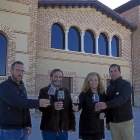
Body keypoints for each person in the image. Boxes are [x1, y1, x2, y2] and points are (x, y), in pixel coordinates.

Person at [0, 61, 50, 140]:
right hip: (9, 131)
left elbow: (25, 107)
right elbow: (16, 102)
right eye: (17, 70)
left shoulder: (21, 86)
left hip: (23, 130)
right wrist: (38, 102)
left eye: (22, 71)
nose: (20, 73)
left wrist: (28, 124)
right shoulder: (4, 86)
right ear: (11, 71)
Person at [95, 64, 135, 140]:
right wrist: (108, 121)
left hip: (125, 122)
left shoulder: (126, 85)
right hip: (113, 124)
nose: (113, 73)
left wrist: (106, 104)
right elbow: (108, 106)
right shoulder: (109, 88)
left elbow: (122, 99)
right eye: (111, 71)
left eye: (115, 71)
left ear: (119, 72)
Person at [38, 69, 76, 140]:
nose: (58, 79)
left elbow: (70, 110)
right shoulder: (44, 91)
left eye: (60, 77)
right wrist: (53, 107)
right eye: (56, 76)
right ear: (50, 77)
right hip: (48, 130)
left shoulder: (66, 91)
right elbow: (40, 108)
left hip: (63, 130)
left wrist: (72, 126)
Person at [75, 72, 106, 140]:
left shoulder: (102, 94)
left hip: (98, 127)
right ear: (88, 82)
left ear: (99, 81)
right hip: (86, 127)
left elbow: (106, 109)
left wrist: (104, 113)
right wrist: (75, 108)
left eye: (95, 80)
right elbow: (78, 106)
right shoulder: (84, 93)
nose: (93, 82)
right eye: (91, 80)